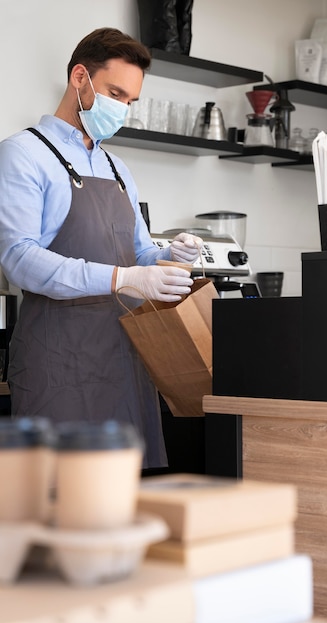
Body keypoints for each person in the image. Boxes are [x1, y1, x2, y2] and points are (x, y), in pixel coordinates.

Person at [0, 27, 202, 469]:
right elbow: (20, 259)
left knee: (128, 510)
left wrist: (171, 257)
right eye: (114, 93)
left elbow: (139, 255)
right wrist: (126, 278)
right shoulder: (21, 155)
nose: (121, 109)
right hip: (58, 368)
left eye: (130, 101)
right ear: (79, 78)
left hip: (125, 363)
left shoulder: (117, 167)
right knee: (59, 510)